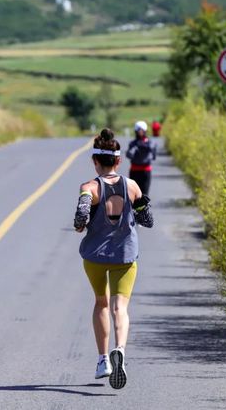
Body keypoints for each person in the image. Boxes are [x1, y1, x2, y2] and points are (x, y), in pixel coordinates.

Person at [74, 128, 154, 390]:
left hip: (95, 257)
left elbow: (80, 217)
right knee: (121, 307)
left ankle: (102, 360)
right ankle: (120, 348)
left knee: (101, 303)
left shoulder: (89, 187)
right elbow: (147, 219)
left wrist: (82, 222)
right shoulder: (131, 186)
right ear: (119, 161)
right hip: (125, 256)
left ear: (95, 161)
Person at [126, 121, 157, 196]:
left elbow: (152, 153)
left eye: (142, 131)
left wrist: (142, 146)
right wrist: (135, 148)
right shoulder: (133, 143)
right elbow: (129, 155)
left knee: (144, 195)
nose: (140, 133)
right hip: (134, 171)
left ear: (145, 131)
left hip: (145, 171)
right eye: (138, 131)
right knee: (133, 195)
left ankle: (144, 207)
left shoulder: (150, 142)